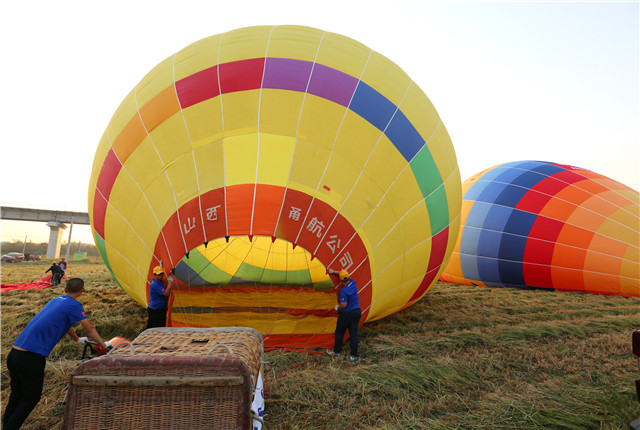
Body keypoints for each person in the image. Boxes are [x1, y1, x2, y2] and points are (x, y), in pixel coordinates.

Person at [2, 278, 110, 430]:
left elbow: (65, 323)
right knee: (31, 398)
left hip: (14, 354)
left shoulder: (55, 301)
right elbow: (89, 328)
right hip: (31, 358)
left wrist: (76, 339)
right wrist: (103, 344)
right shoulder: (75, 305)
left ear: (65, 289)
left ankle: (6, 425)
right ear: (82, 291)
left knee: (17, 395)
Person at [326, 269, 362, 362]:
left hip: (347, 314)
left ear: (341, 280)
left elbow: (344, 305)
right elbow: (342, 274)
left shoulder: (343, 291)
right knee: (353, 335)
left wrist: (338, 308)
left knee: (339, 333)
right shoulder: (353, 283)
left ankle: (336, 352)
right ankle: (353, 356)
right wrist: (333, 272)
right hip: (357, 312)